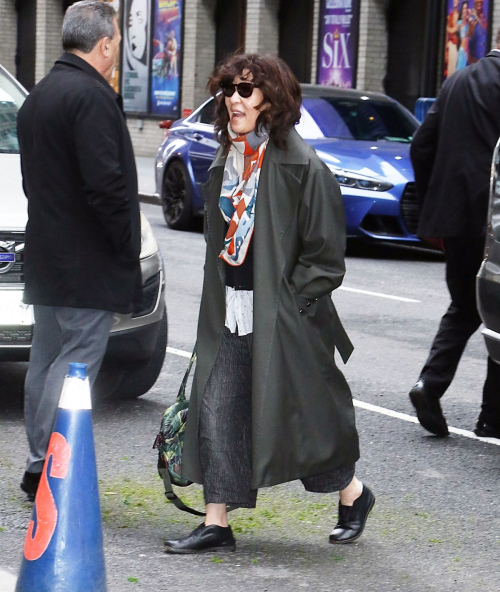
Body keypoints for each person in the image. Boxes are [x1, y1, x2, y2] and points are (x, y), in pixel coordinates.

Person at [163, 54, 375, 554]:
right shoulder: (227, 161)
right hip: (231, 310)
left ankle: (353, 494)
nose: (233, 100)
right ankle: (217, 521)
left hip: (284, 318)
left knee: (301, 419)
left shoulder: (304, 168)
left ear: (271, 102)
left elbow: (326, 258)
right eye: (228, 90)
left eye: (244, 90)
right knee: (217, 407)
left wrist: (292, 304)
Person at [17, 0, 141, 500]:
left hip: (48, 255)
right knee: (75, 367)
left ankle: (35, 460)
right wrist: (124, 245)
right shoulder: (90, 97)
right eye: (114, 44)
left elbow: (36, 183)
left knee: (46, 361)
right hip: (87, 262)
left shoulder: (40, 95)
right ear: (106, 43)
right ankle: (48, 464)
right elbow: (106, 186)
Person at [409, 29, 500, 440]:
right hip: (495, 220)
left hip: (456, 219)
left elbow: (421, 146)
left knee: (466, 305)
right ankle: (491, 415)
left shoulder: (457, 80)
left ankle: (430, 384)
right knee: (495, 308)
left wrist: (434, 207)